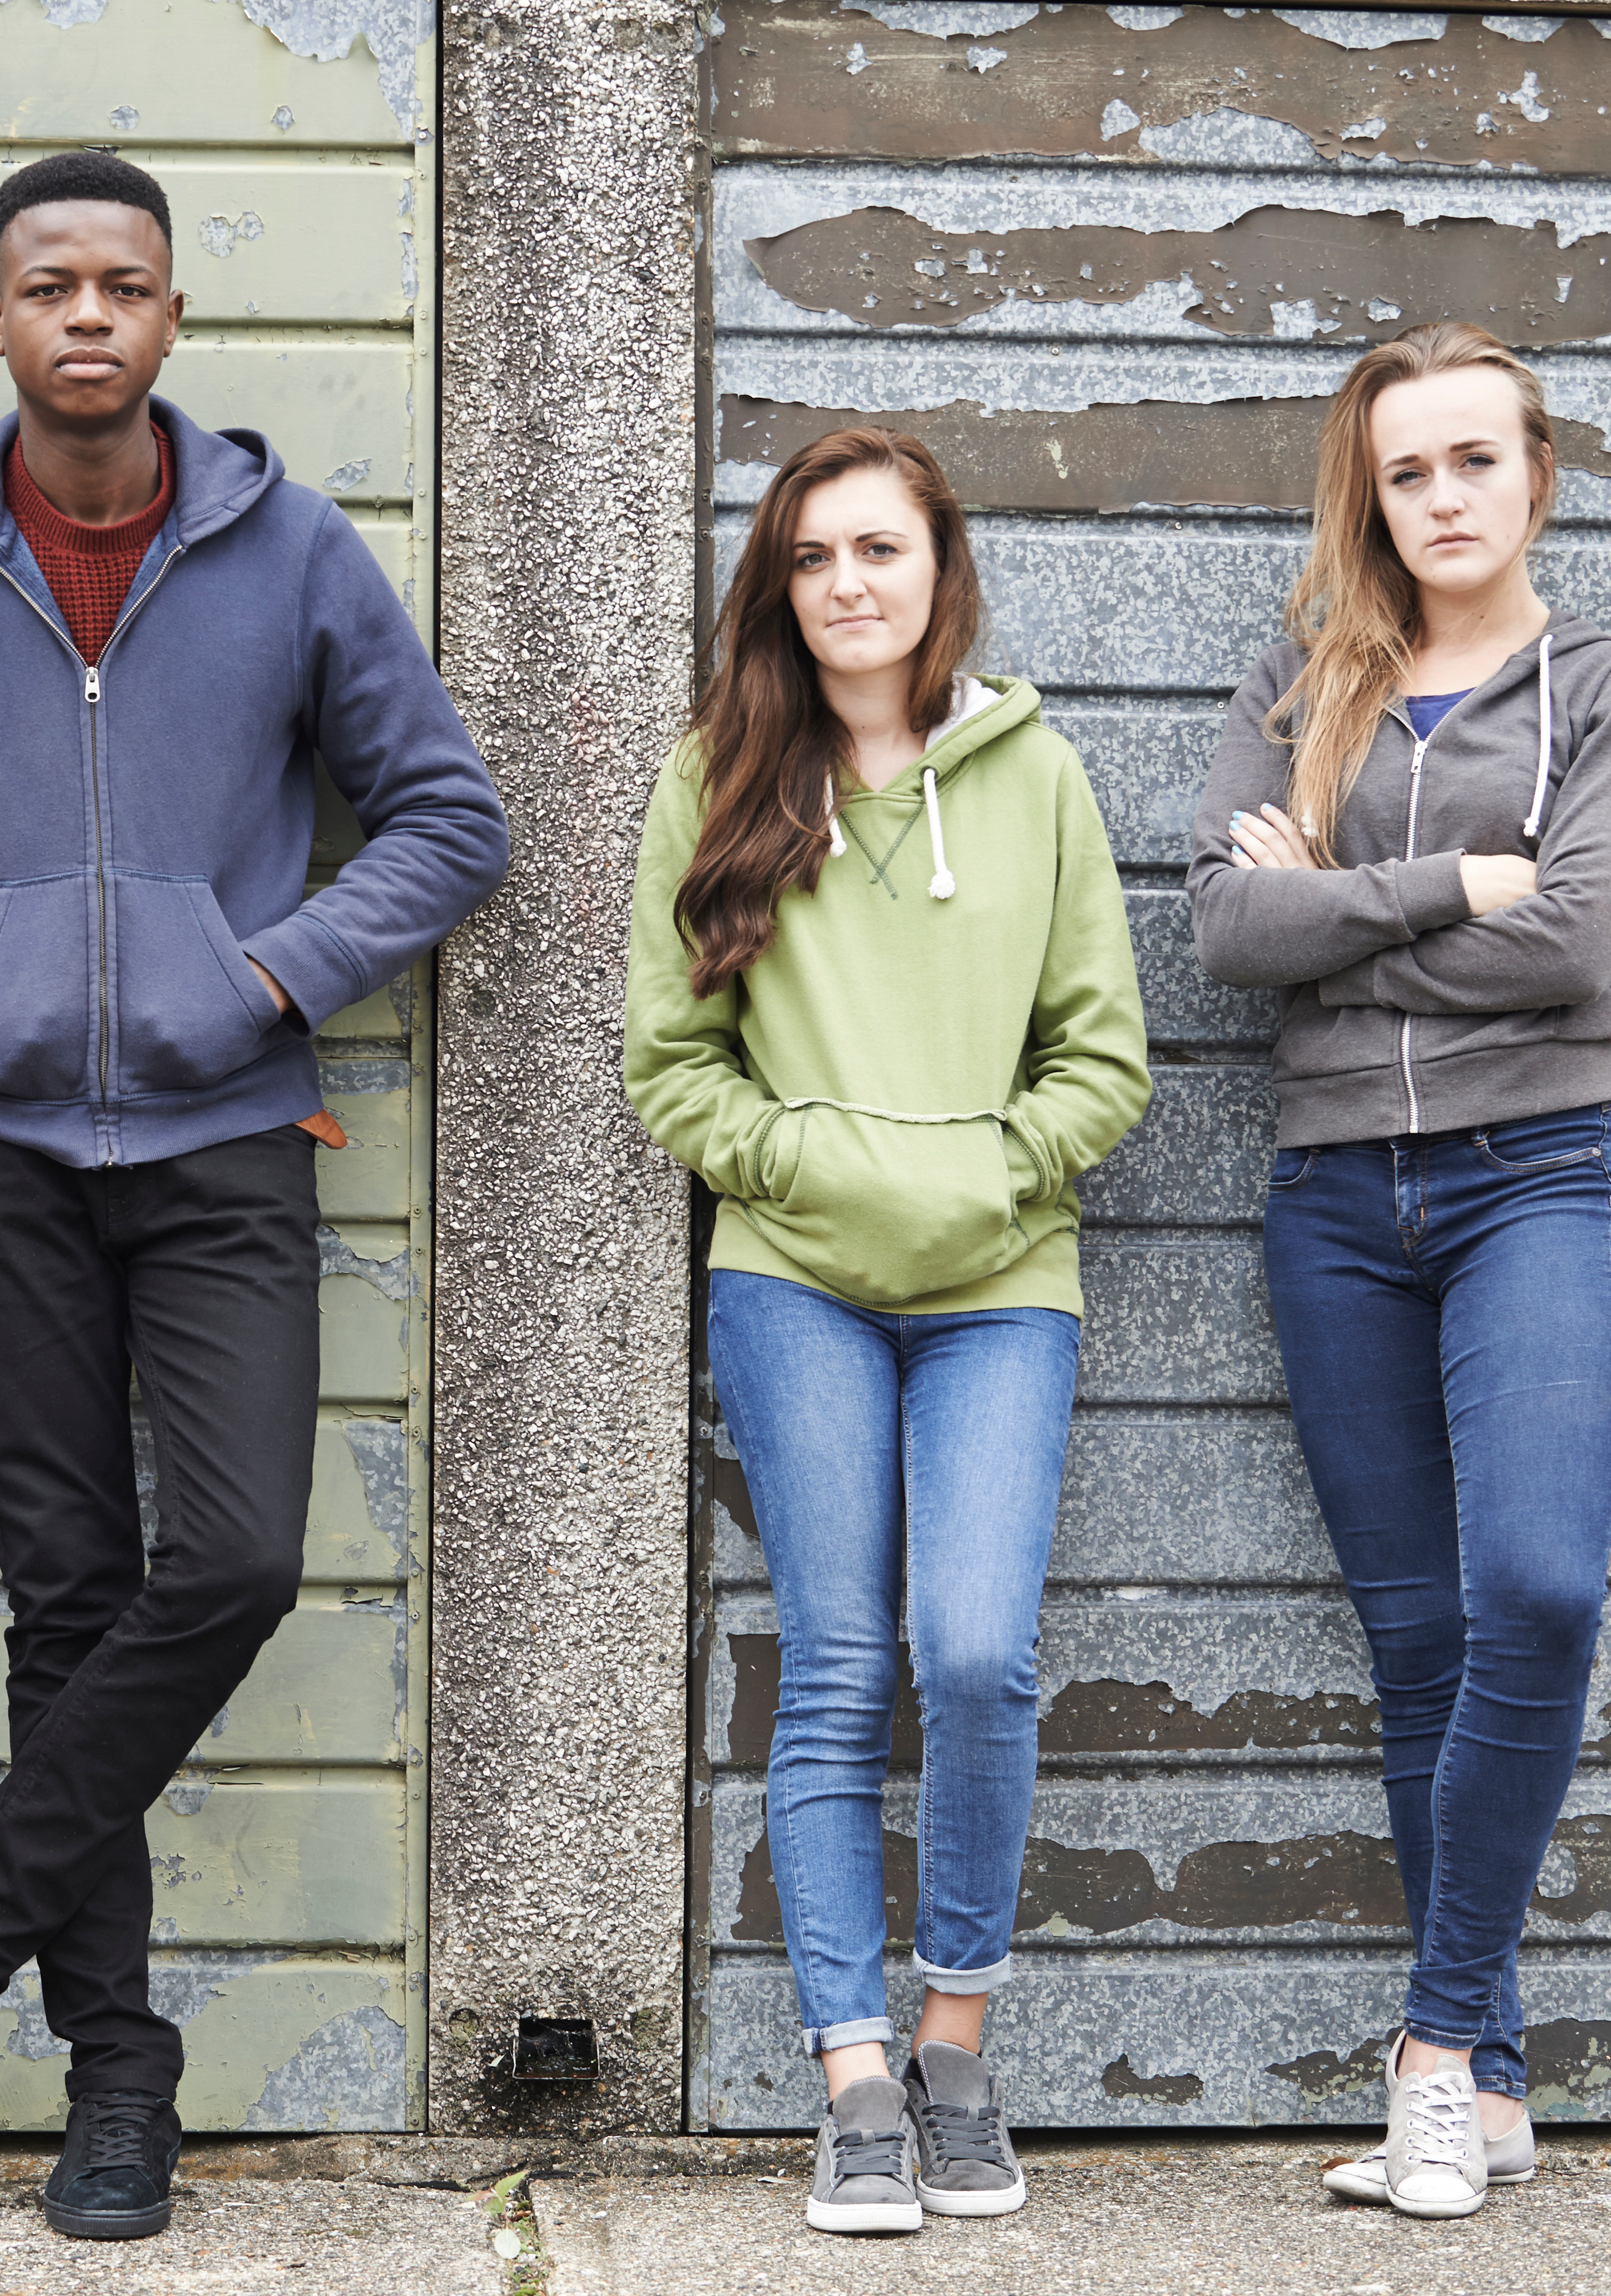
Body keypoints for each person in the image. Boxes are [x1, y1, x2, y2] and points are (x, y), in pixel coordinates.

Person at [0, 148, 506, 2242]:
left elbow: (447, 817)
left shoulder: (291, 554)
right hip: (1, 1148)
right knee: (67, 1602)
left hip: (226, 1140)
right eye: (47, 283)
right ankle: (117, 2078)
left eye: (124, 283)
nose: (86, 313)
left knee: (237, 1558)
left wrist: (261, 971)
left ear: (174, 317)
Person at [622, 427, 1149, 2237]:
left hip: (1004, 1278)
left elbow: (1104, 1053)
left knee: (980, 1652)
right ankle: (849, 2073)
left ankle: (952, 2040)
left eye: (880, 549)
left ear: (941, 571)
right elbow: (666, 1065)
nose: (848, 582)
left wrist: (990, 1172)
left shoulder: (1035, 777)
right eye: (812, 556)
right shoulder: (716, 776)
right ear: (778, 586)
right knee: (838, 1663)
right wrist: (807, 1164)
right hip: (793, 1281)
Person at [1188, 324, 1611, 2222]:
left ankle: (1431, 2047)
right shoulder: (1300, 680)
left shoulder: (1610, 689)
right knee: (1417, 1646)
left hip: (1535, 1175)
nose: (1445, 495)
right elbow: (1229, 928)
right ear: (1370, 494)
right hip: (1332, 1205)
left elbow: (1574, 944)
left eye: (1475, 459)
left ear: (1533, 473)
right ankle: (1491, 2084)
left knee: (1536, 1591)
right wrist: (1448, 884)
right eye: (1408, 470)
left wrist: (1346, 919)